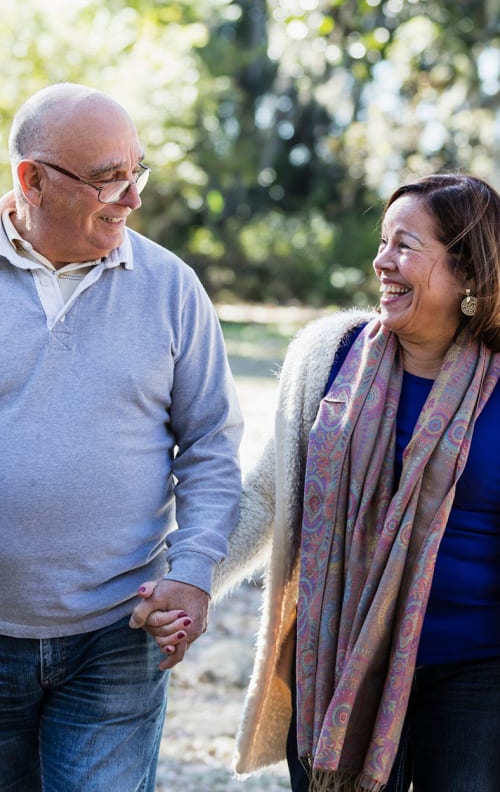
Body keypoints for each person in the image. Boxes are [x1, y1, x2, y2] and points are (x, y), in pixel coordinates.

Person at [181, 173, 498, 791]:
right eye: (383, 242)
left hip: (475, 672)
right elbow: (269, 497)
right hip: (335, 660)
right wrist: (191, 584)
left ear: (467, 271)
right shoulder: (329, 356)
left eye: (405, 245)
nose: (382, 261)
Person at [0, 82, 242, 792]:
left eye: (137, 171)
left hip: (118, 632)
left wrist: (193, 572)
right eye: (109, 178)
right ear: (32, 180)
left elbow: (211, 444)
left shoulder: (170, 287)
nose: (133, 197)